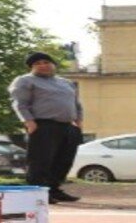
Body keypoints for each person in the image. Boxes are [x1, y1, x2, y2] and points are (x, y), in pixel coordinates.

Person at [9, 52, 83, 204]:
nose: (43, 65)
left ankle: (54, 189)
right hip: (43, 125)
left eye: (46, 62)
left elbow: (76, 103)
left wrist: (79, 119)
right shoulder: (25, 81)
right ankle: (37, 192)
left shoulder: (66, 82)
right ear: (31, 67)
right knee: (41, 161)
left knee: (64, 161)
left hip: (67, 126)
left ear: (53, 64)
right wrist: (29, 121)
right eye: (37, 63)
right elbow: (19, 103)